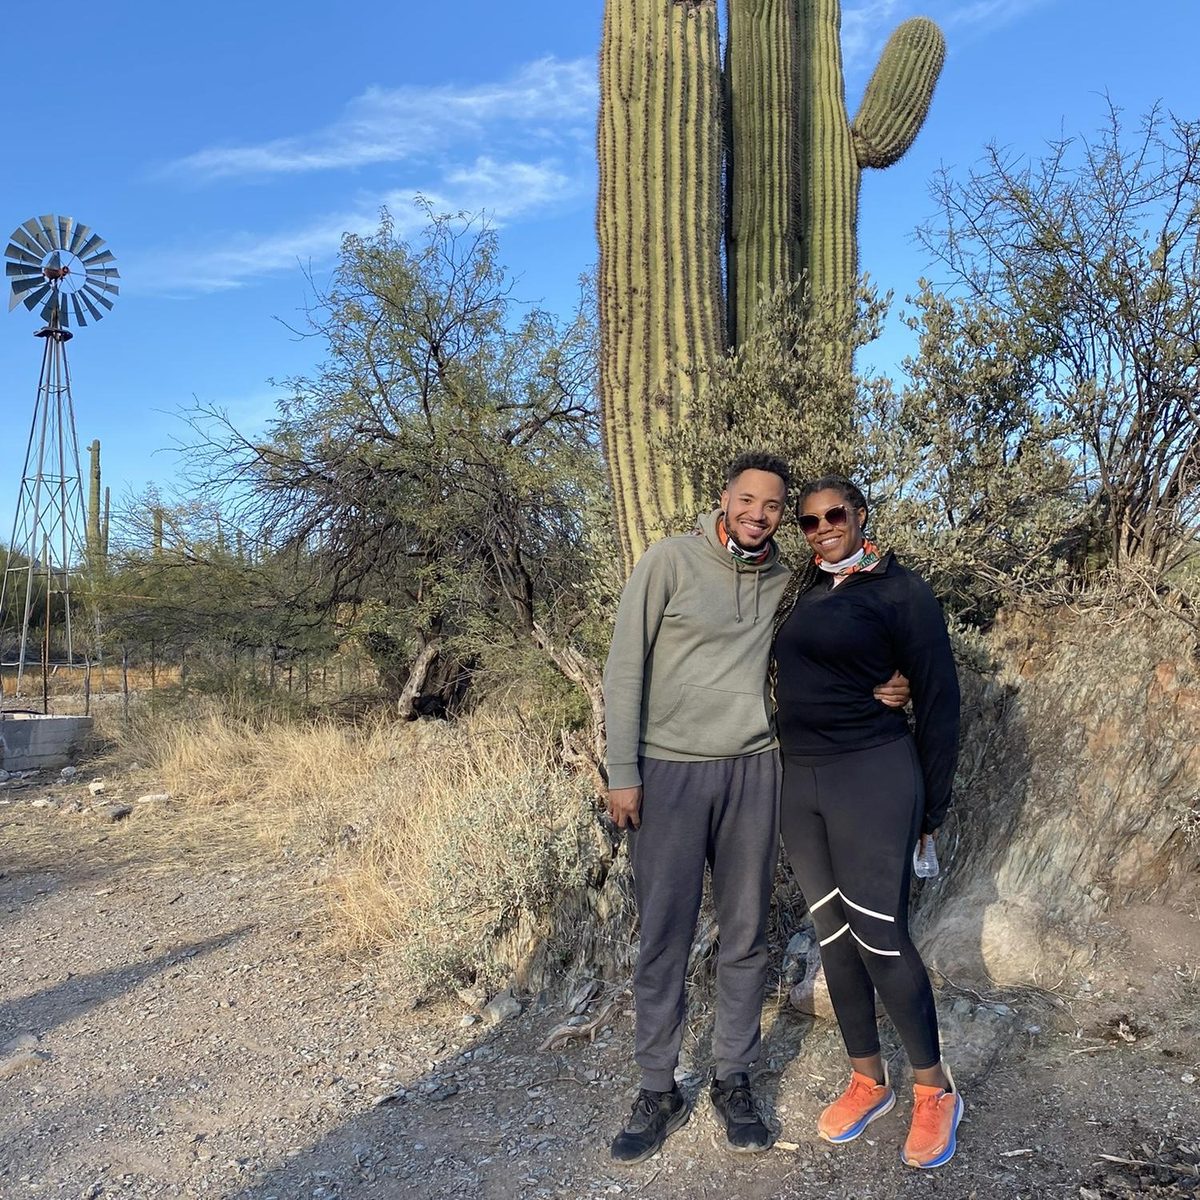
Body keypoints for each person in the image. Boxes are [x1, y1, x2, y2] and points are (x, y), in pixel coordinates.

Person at [602, 452, 908, 1165]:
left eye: (773, 507)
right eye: (748, 501)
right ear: (724, 499)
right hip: (668, 771)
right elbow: (625, 664)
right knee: (665, 938)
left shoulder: (783, 580)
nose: (759, 515)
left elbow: (837, 635)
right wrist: (623, 771)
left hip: (752, 771)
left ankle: (732, 1077)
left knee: (745, 935)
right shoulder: (670, 562)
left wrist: (893, 683)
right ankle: (656, 1087)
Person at [771, 473, 963, 1169]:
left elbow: (939, 700)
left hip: (873, 774)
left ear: (860, 515)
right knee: (832, 933)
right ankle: (867, 1079)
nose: (823, 528)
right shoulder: (802, 589)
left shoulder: (900, 591)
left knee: (881, 936)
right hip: (803, 782)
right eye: (809, 521)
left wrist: (931, 808)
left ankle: (935, 1090)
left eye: (834, 516)